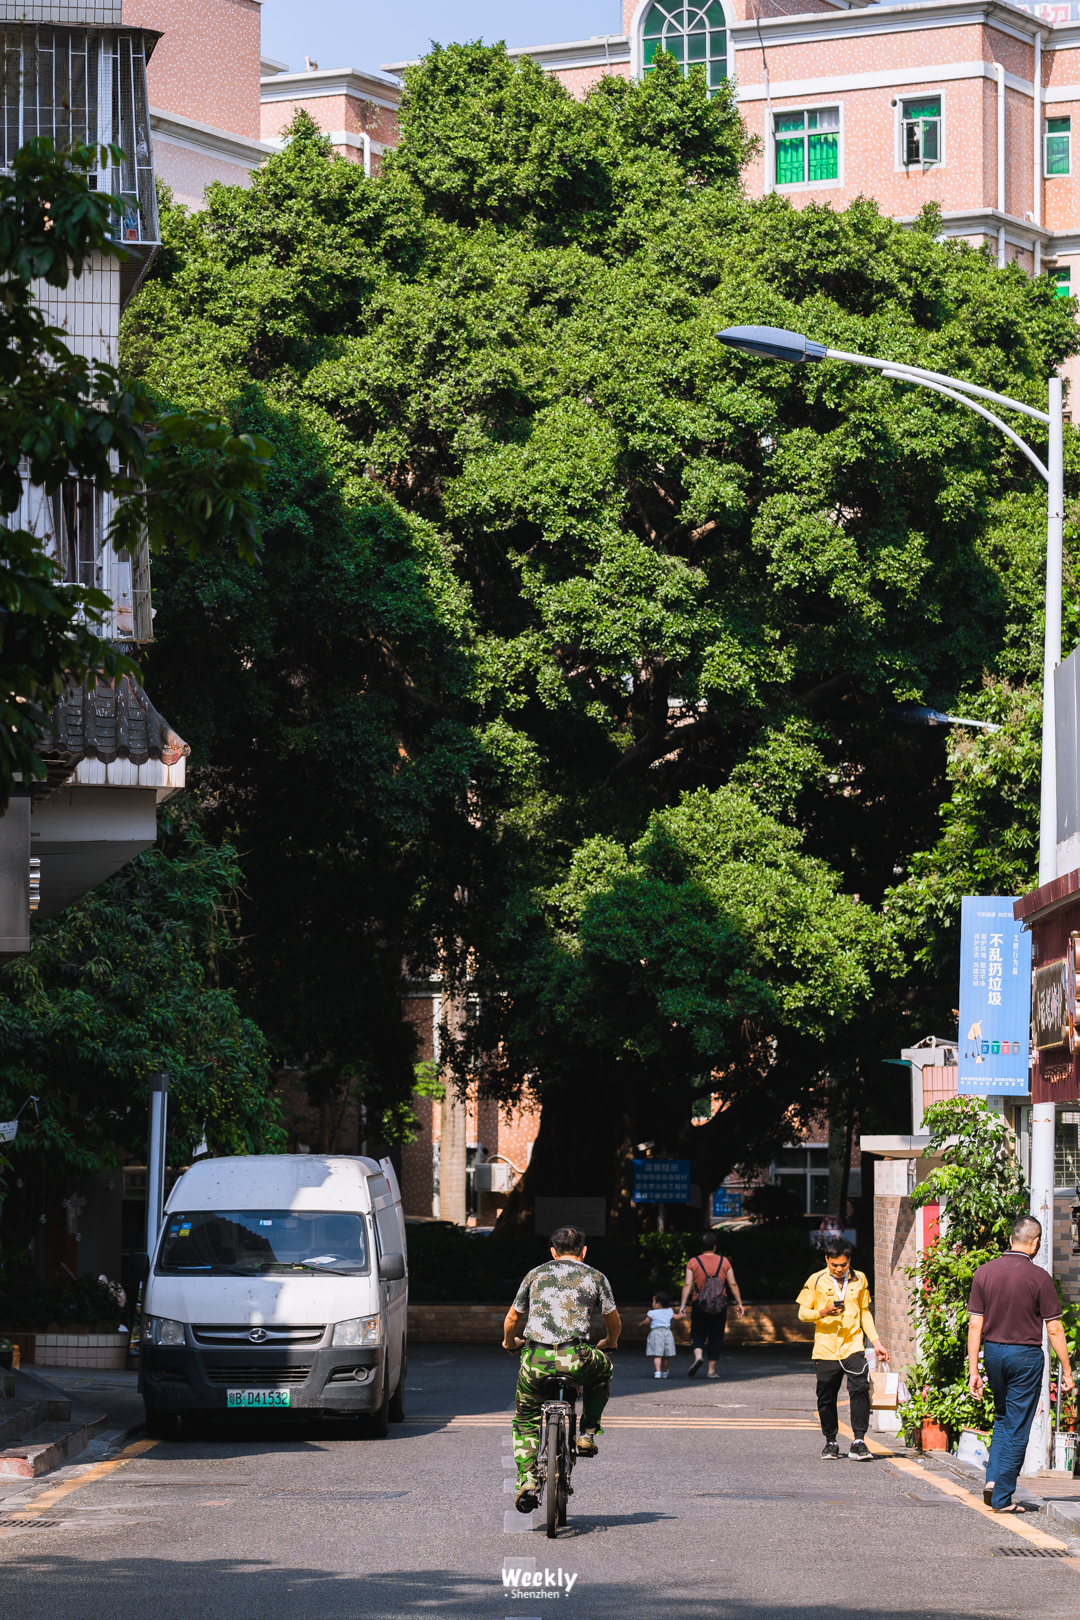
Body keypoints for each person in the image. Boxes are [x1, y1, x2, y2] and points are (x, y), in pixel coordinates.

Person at [503, 1224, 621, 1514]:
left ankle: (528, 1481)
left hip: (535, 1360)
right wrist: (609, 1343)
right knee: (603, 1370)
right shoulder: (595, 1276)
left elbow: (511, 1319)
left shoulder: (535, 1274)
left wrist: (510, 1342)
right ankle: (587, 1433)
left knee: (526, 1419)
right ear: (583, 1251)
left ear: (553, 1252)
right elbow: (613, 1322)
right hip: (577, 1357)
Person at [968, 1213, 1075, 1513]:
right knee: (1018, 1425)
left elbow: (975, 1326)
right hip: (1024, 1356)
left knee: (1002, 1417)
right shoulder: (1039, 1277)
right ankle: (1002, 1497)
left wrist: (974, 1370)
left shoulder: (984, 1272)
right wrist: (1067, 1371)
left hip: (992, 1353)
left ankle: (993, 1481)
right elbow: (1054, 1328)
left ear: (1010, 1238)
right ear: (1036, 1242)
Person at [797, 1235, 889, 1461]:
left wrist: (876, 1342)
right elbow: (802, 1313)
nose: (839, 1269)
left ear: (849, 1260)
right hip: (826, 1348)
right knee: (826, 1396)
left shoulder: (860, 1279)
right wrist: (823, 1312)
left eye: (843, 1265)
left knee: (860, 1389)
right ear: (826, 1259)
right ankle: (831, 1441)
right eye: (834, 1264)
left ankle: (859, 1441)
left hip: (853, 1345)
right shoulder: (816, 1280)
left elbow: (864, 1312)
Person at [676, 1230, 745, 1378]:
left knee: (697, 1332)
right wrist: (739, 1303)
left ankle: (698, 1357)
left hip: (699, 1303)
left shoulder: (693, 1262)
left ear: (701, 1246)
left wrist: (682, 1305)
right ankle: (711, 1371)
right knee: (716, 1335)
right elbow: (732, 1283)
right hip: (720, 1305)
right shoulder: (724, 1261)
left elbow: (688, 1284)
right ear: (714, 1246)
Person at [640, 1291, 676, 1378]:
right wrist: (682, 1315)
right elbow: (677, 1317)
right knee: (666, 1355)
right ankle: (664, 1373)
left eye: (653, 1301)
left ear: (658, 1304)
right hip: (667, 1333)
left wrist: (641, 1324)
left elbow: (647, 1322)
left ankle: (657, 1372)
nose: (652, 1303)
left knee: (658, 1355)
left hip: (656, 1333)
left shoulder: (652, 1313)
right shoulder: (669, 1311)